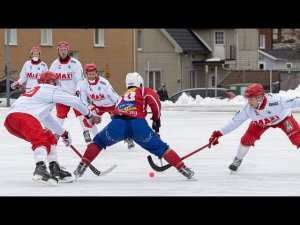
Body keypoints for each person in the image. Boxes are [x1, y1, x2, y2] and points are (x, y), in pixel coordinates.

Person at [73, 72, 194, 180]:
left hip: (118, 125)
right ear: (140, 83)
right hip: (138, 126)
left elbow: (115, 112)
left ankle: (81, 167)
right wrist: (156, 122)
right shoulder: (143, 90)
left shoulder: (122, 97)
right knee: (163, 148)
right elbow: (155, 102)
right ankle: (184, 170)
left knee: (98, 142)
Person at [4, 71, 101, 186]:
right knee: (40, 139)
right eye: (55, 81)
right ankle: (40, 168)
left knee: (48, 136)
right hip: (23, 116)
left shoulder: (39, 94)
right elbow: (75, 101)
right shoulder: (49, 89)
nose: (57, 84)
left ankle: (54, 167)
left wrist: (63, 133)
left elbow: (47, 119)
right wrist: (89, 115)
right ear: (50, 81)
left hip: (12, 122)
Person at [208, 83, 300, 172]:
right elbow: (234, 122)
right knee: (246, 139)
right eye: (248, 99)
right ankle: (237, 160)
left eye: (251, 99)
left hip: (283, 119)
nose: (249, 102)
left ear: (259, 97)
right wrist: (219, 133)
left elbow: (295, 101)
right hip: (261, 123)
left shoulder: (276, 101)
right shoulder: (247, 109)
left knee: (297, 139)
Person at [80, 63, 135, 149]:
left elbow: (113, 96)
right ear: (86, 74)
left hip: (111, 105)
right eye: (89, 74)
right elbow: (82, 99)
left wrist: (121, 105)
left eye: (93, 73)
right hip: (97, 106)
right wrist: (89, 106)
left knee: (119, 122)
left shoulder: (103, 82)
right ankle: (97, 139)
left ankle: (128, 138)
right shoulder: (83, 84)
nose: (91, 76)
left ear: (96, 73)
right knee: (87, 120)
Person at [49, 41, 91, 143]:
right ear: (58, 51)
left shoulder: (75, 63)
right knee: (60, 116)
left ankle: (86, 132)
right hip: (61, 95)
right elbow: (50, 78)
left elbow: (80, 79)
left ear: (68, 50)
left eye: (65, 50)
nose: (63, 52)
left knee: (81, 114)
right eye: (61, 50)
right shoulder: (55, 64)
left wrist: (77, 90)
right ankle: (57, 134)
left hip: (74, 94)